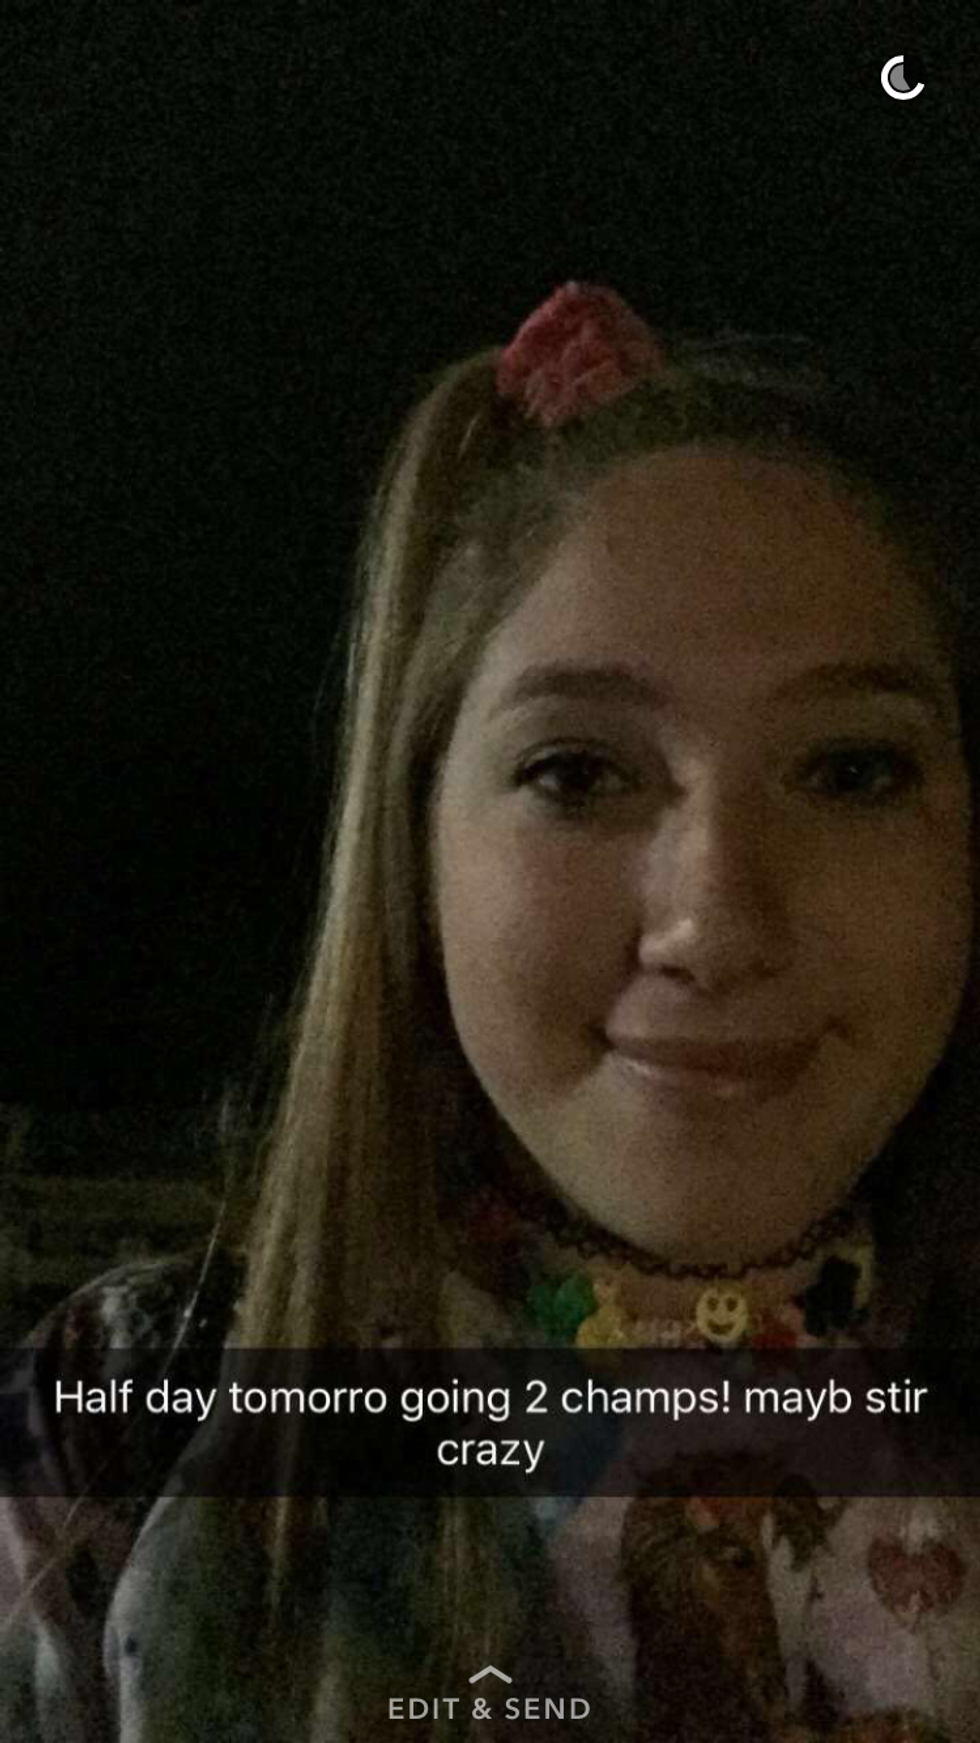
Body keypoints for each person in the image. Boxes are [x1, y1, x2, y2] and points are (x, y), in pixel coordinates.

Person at [1, 280, 979, 1741]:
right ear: (414, 846)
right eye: (579, 773)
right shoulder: (115, 1439)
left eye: (850, 772)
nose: (716, 925)